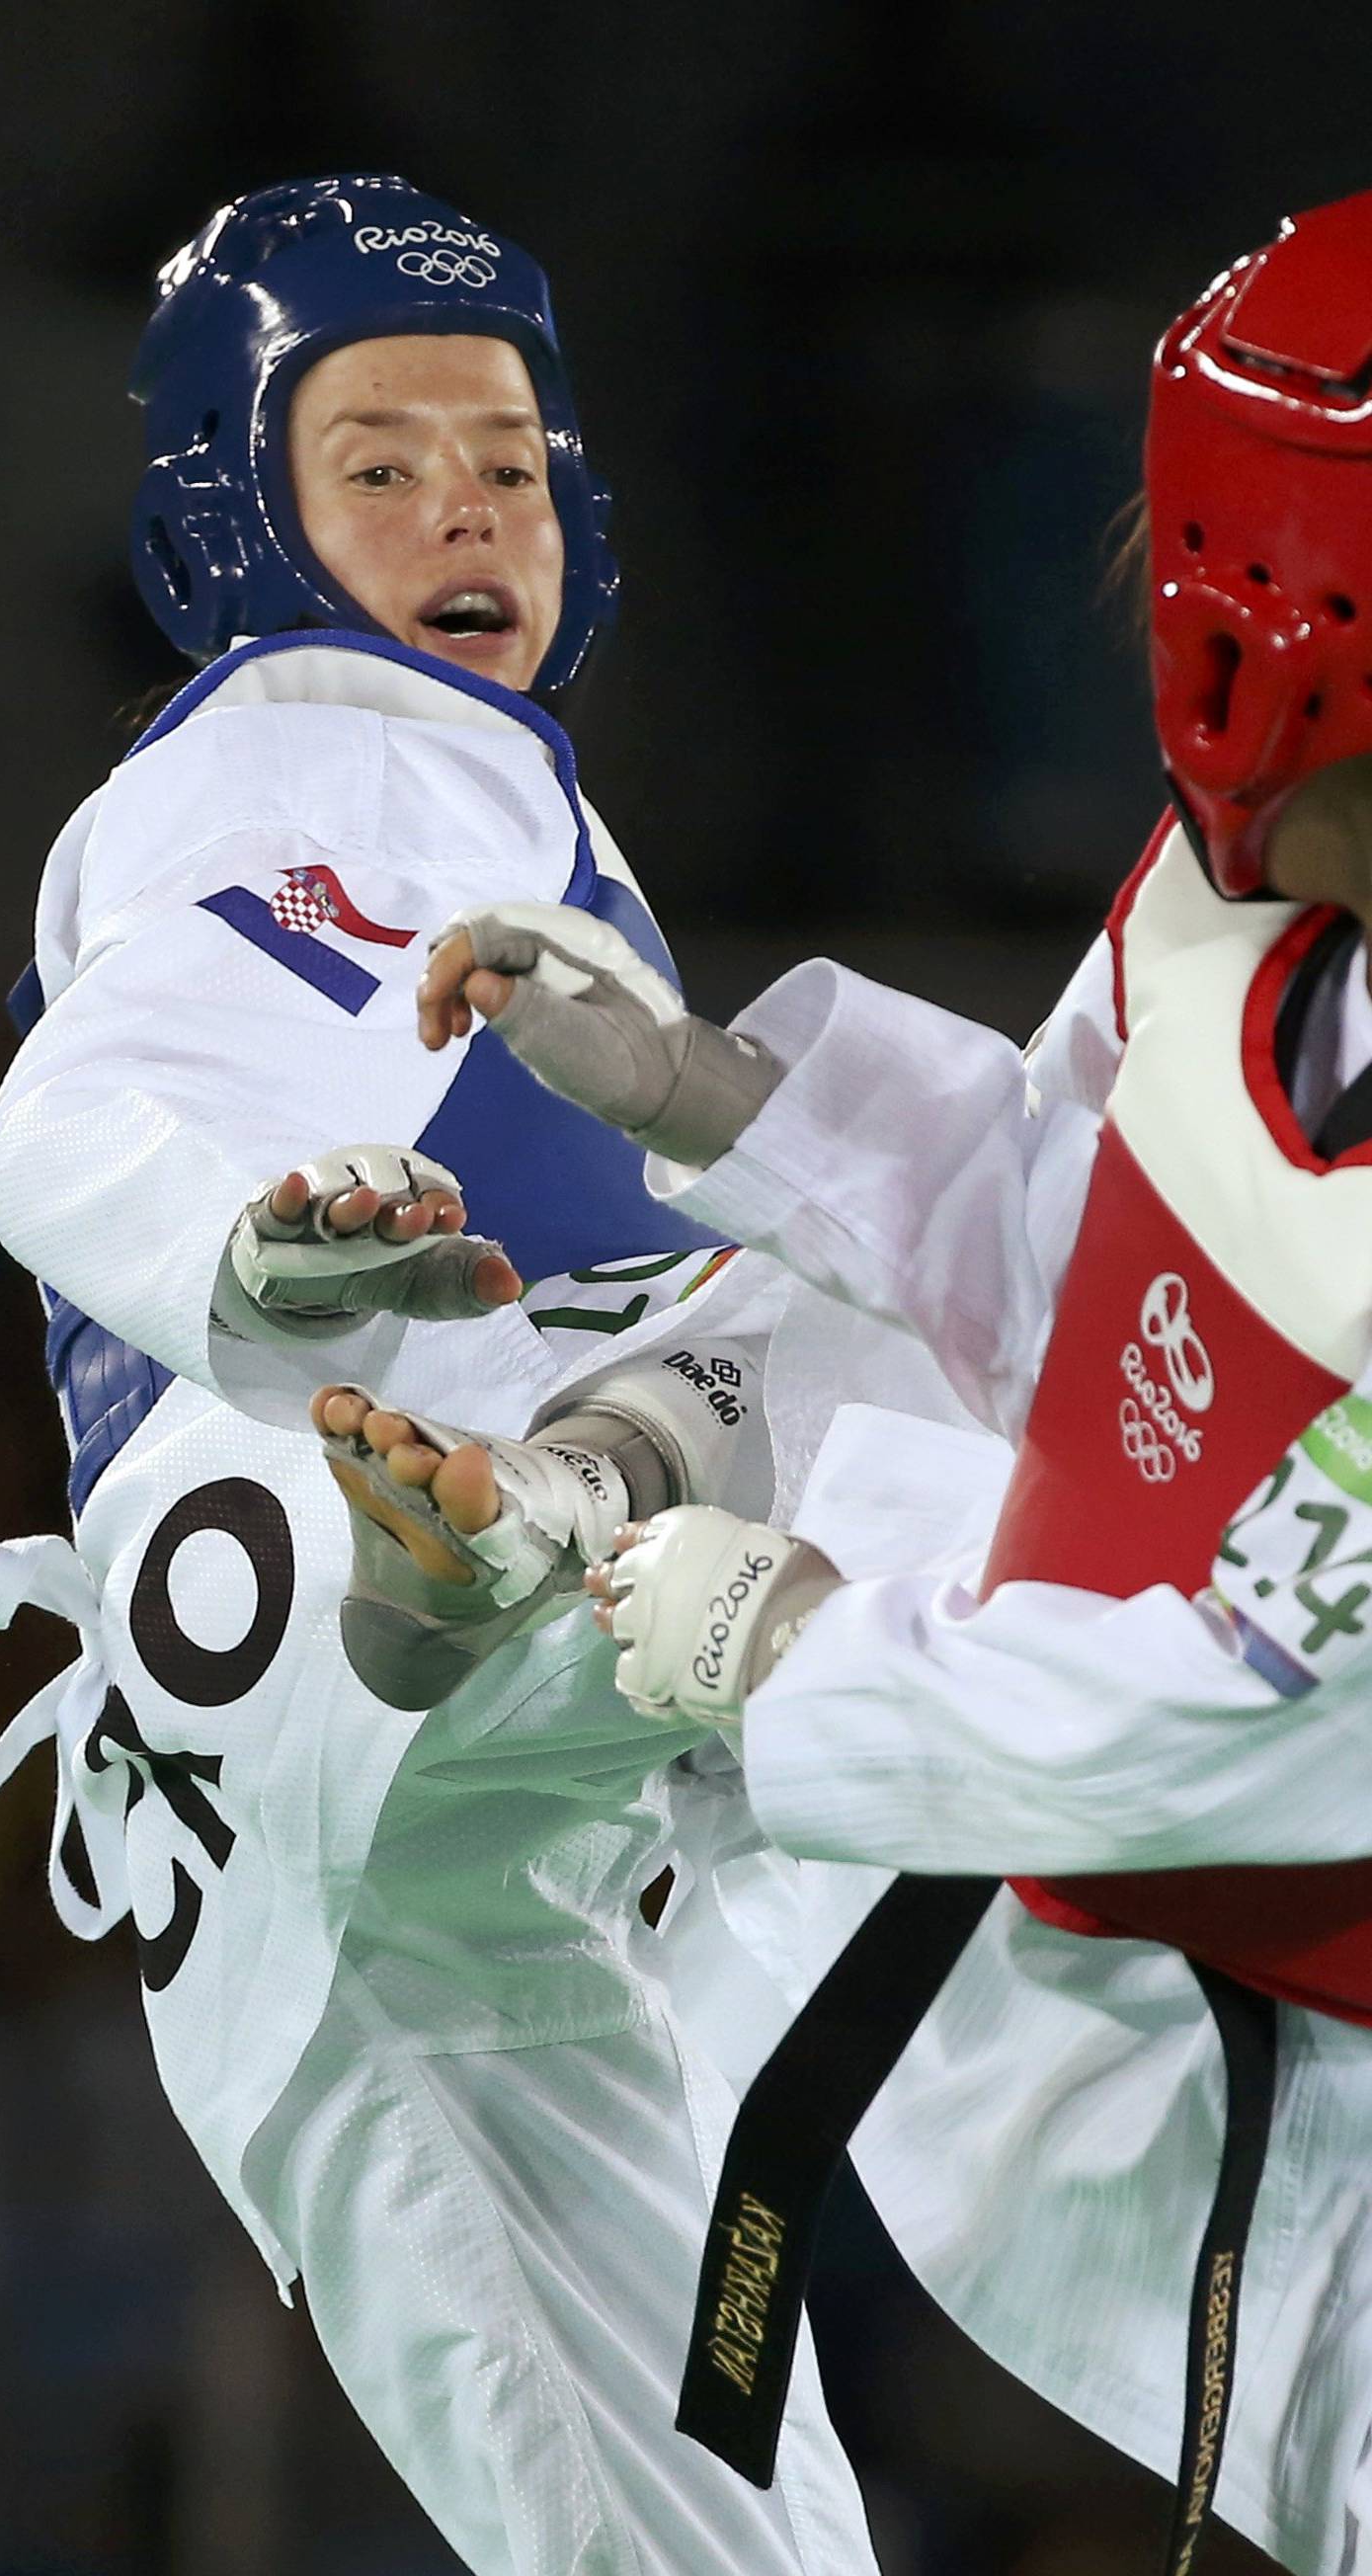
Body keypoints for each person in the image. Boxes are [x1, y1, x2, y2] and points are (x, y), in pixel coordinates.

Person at [0, 175, 878, 2574]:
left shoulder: (390, 782)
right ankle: (656, 1570)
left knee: (697, 2517)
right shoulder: (335, 740)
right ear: (238, 525)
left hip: (302, 1771)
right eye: (379, 459)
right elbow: (73, 1115)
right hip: (341, 1526)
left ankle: (588, 1559)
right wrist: (248, 1247)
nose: (463, 501)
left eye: (509, 462)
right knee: (896, 1221)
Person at [378, 188, 1372, 2576]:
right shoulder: (1249, 917)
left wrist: (805, 1648)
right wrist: (724, 1098)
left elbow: (1285, 1692)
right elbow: (1122, 1263)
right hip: (1223, 1995)